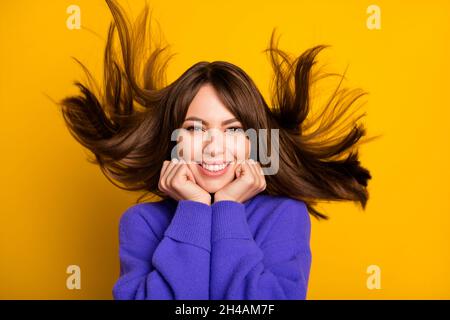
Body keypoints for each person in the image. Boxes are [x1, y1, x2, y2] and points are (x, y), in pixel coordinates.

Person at [59, 0, 376, 300]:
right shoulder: (141, 222)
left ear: (255, 141)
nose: (213, 147)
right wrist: (194, 208)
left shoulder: (284, 216)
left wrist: (227, 209)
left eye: (233, 129)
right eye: (195, 128)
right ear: (173, 141)